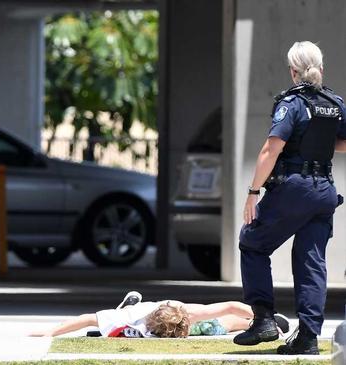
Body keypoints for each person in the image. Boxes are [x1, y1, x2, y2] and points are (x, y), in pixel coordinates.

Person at [234, 41, 346, 354]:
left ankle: (264, 320)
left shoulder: (291, 104)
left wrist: (253, 192)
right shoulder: (334, 102)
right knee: (310, 261)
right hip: (324, 189)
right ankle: (308, 338)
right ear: (321, 69)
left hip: (294, 188)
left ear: (293, 72)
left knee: (252, 242)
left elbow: (271, 149)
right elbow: (342, 143)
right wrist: (317, 143)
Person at [29, 291, 289, 338]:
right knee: (109, 328)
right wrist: (51, 331)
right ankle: (121, 307)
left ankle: (262, 322)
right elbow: (86, 318)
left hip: (191, 321)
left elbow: (231, 306)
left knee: (225, 324)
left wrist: (263, 319)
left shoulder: (190, 313)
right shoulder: (134, 317)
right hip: (131, 321)